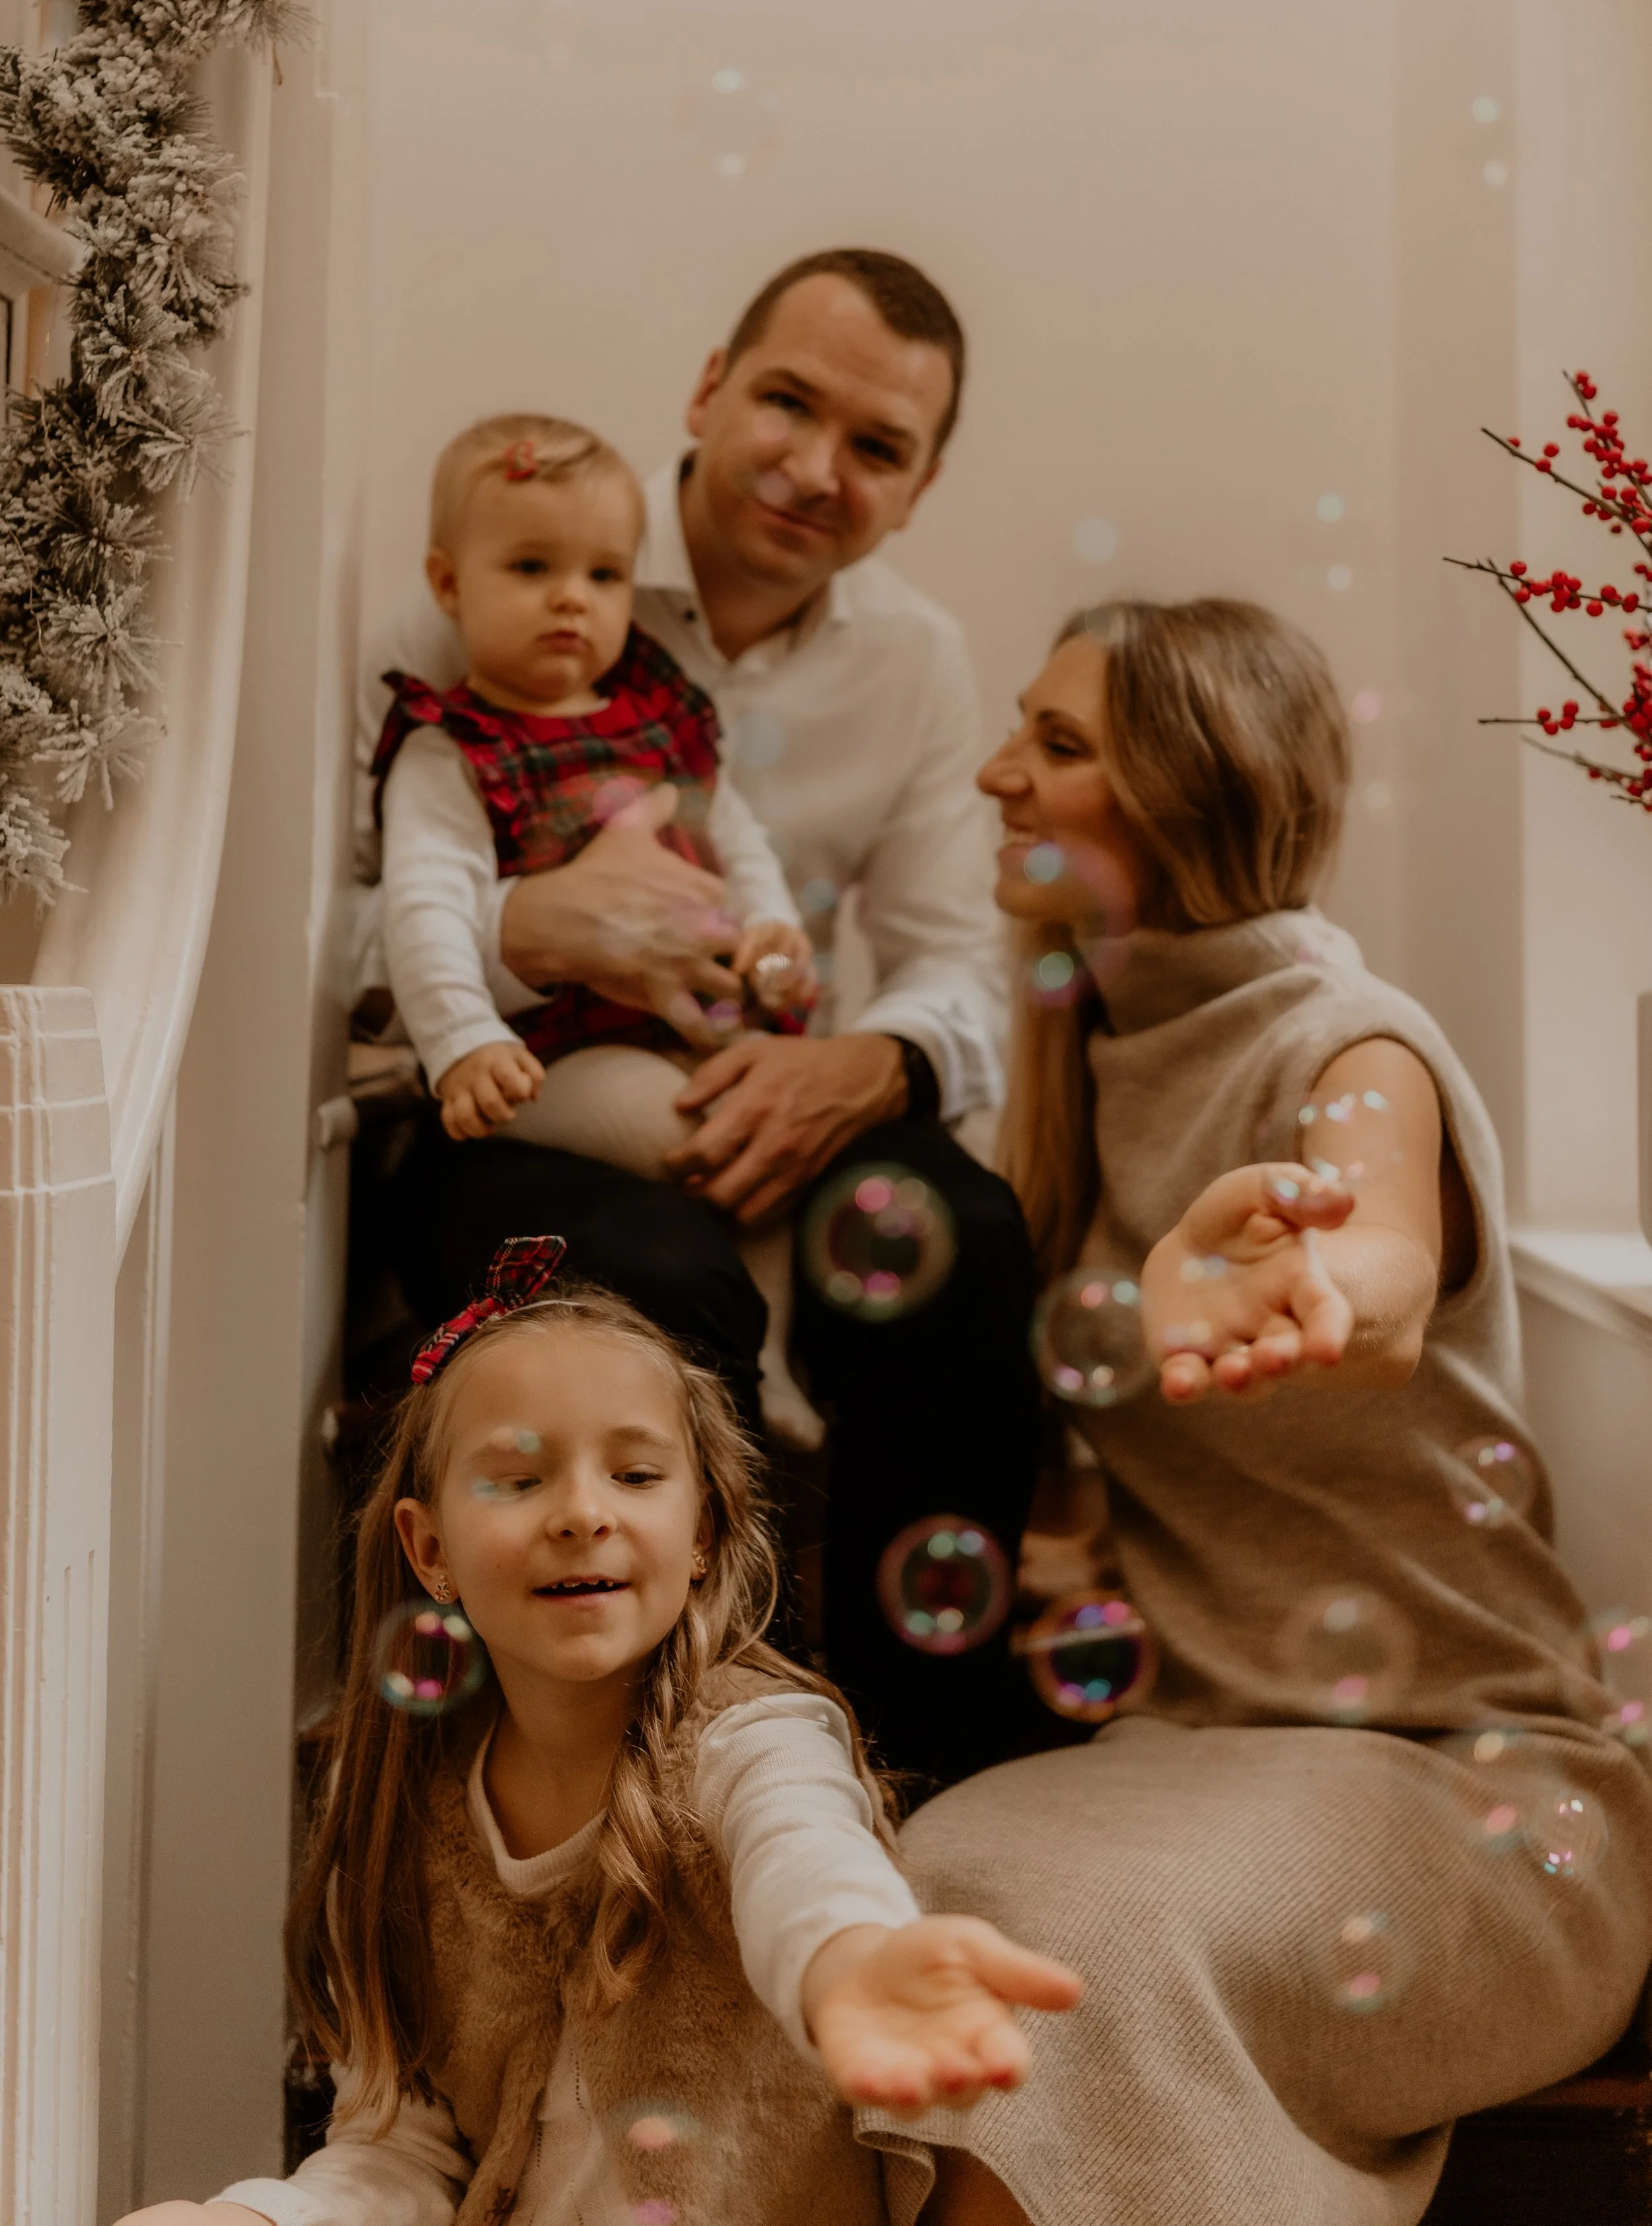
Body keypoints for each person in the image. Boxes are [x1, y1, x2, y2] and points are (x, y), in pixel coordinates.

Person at [858, 599, 1652, 2225]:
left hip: (1462, 1773)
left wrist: (1312, 1290)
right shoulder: (1079, 1055)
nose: (999, 776)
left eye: (1059, 745)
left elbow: (1376, 1244)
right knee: (925, 1906)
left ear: (1191, 792)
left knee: (1069, 1958)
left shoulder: (1349, 1045)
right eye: (1017, 727)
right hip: (1187, 1744)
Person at [356, 249, 1045, 1786]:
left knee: (966, 1238)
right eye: (786, 405)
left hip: (766, 1096)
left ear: (919, 491)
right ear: (707, 391)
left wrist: (861, 1062)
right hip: (508, 1109)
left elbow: (951, 964)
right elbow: (319, 929)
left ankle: (924, 1748)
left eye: (876, 450)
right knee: (650, 1283)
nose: (815, 471)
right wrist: (518, 927)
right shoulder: (508, 553)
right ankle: (696, 1757)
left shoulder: (913, 661)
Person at [111, 1245, 1080, 2226]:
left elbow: (805, 1856)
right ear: (430, 1548)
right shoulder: (412, 1819)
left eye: (634, 1471)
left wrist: (849, 1959)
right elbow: (400, 2152)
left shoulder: (752, 1740)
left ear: (702, 1530)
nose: (582, 1512)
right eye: (519, 1478)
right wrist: (262, 2218)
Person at [373, 410, 818, 1444]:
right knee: (710, 1130)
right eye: (531, 566)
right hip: (549, 1060)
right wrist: (463, 1041)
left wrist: (775, 930)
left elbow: (737, 835)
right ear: (449, 584)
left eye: (604, 575)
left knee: (785, 1141)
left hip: (690, 1025)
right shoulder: (455, 750)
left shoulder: (657, 715)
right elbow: (423, 907)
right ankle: (751, 1379)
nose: (573, 597)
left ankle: (777, 1368)